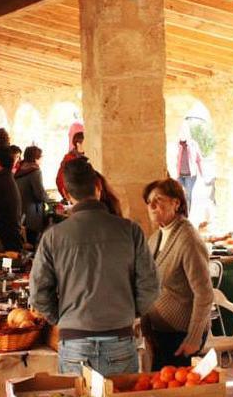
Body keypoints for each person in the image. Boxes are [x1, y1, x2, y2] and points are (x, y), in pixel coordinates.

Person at [29, 159, 159, 376]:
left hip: (74, 341)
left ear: (66, 193)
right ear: (98, 187)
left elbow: (38, 293)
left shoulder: (53, 236)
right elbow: (151, 285)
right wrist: (129, 312)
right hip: (119, 337)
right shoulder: (129, 230)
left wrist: (62, 318)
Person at [141, 179, 213, 370]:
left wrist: (194, 337)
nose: (152, 205)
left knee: (176, 393)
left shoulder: (188, 239)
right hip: (160, 332)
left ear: (176, 203)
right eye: (149, 202)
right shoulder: (155, 238)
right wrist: (146, 327)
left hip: (182, 335)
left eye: (159, 199)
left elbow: (204, 293)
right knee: (160, 392)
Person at [15, 146, 49, 245]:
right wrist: (49, 199)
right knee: (33, 243)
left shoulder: (20, 169)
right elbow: (40, 194)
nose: (42, 159)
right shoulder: (35, 171)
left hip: (21, 212)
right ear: (36, 158)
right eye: (41, 157)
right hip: (32, 215)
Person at [56, 131, 85, 201]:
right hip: (75, 199)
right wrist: (69, 197)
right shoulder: (69, 159)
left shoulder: (89, 156)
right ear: (78, 144)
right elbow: (60, 180)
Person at [176, 139, 203, 213]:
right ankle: (180, 212)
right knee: (178, 195)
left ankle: (186, 213)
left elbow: (198, 159)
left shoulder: (193, 144)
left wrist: (202, 173)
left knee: (188, 195)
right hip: (179, 175)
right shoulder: (176, 145)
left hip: (190, 176)